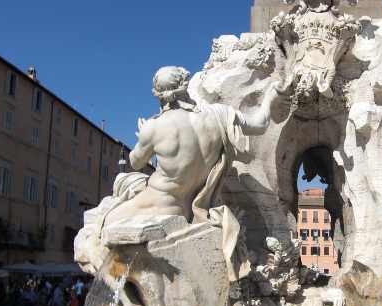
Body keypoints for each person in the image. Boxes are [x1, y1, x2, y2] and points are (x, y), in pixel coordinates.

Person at [102, 66, 288, 227]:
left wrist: (143, 135)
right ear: (185, 85)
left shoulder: (154, 126)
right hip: (189, 208)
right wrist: (271, 95)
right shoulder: (219, 114)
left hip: (159, 203)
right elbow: (260, 124)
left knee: (104, 218)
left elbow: (135, 163)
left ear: (158, 94)